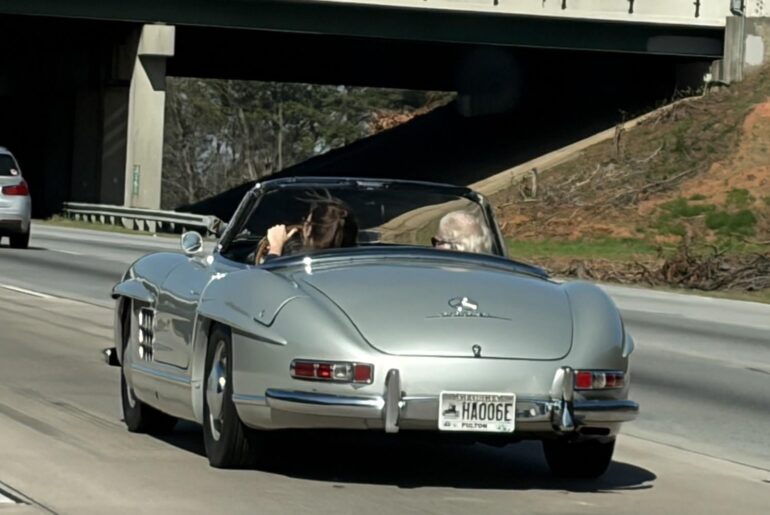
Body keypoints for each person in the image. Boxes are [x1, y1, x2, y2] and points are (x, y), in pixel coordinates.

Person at [263, 198, 358, 259]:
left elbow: (267, 282)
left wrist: (275, 249)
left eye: (306, 222)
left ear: (308, 229)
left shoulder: (301, 267)